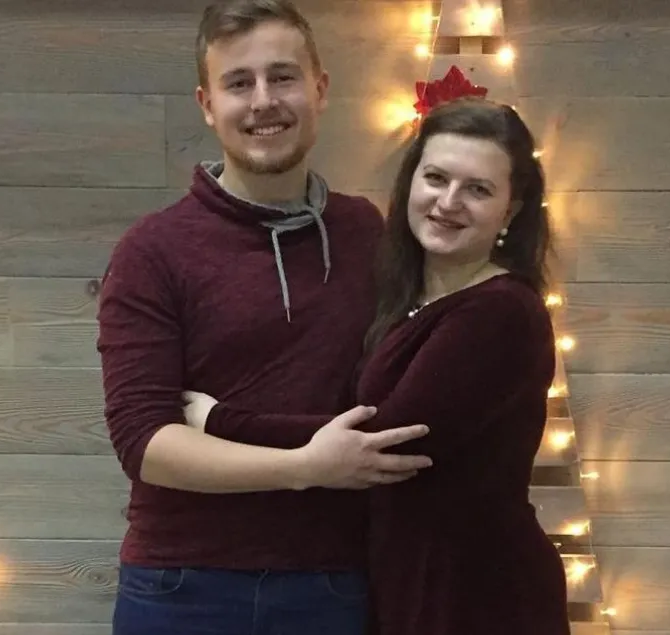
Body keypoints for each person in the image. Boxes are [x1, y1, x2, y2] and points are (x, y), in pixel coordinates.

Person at [95, 1, 434, 634]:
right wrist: (305, 467)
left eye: (282, 77)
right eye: (238, 83)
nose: (263, 101)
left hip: (332, 583)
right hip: (181, 586)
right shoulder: (152, 250)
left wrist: (225, 423)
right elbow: (146, 442)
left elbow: (395, 401)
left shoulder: (370, 234)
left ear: (320, 89)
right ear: (206, 104)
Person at [184, 96, 570, 635]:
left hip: (477, 592)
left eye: (478, 189)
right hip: (408, 577)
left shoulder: (499, 312)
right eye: (436, 178)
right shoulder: (407, 297)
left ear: (510, 210)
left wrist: (219, 420)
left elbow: (382, 440)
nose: (449, 202)